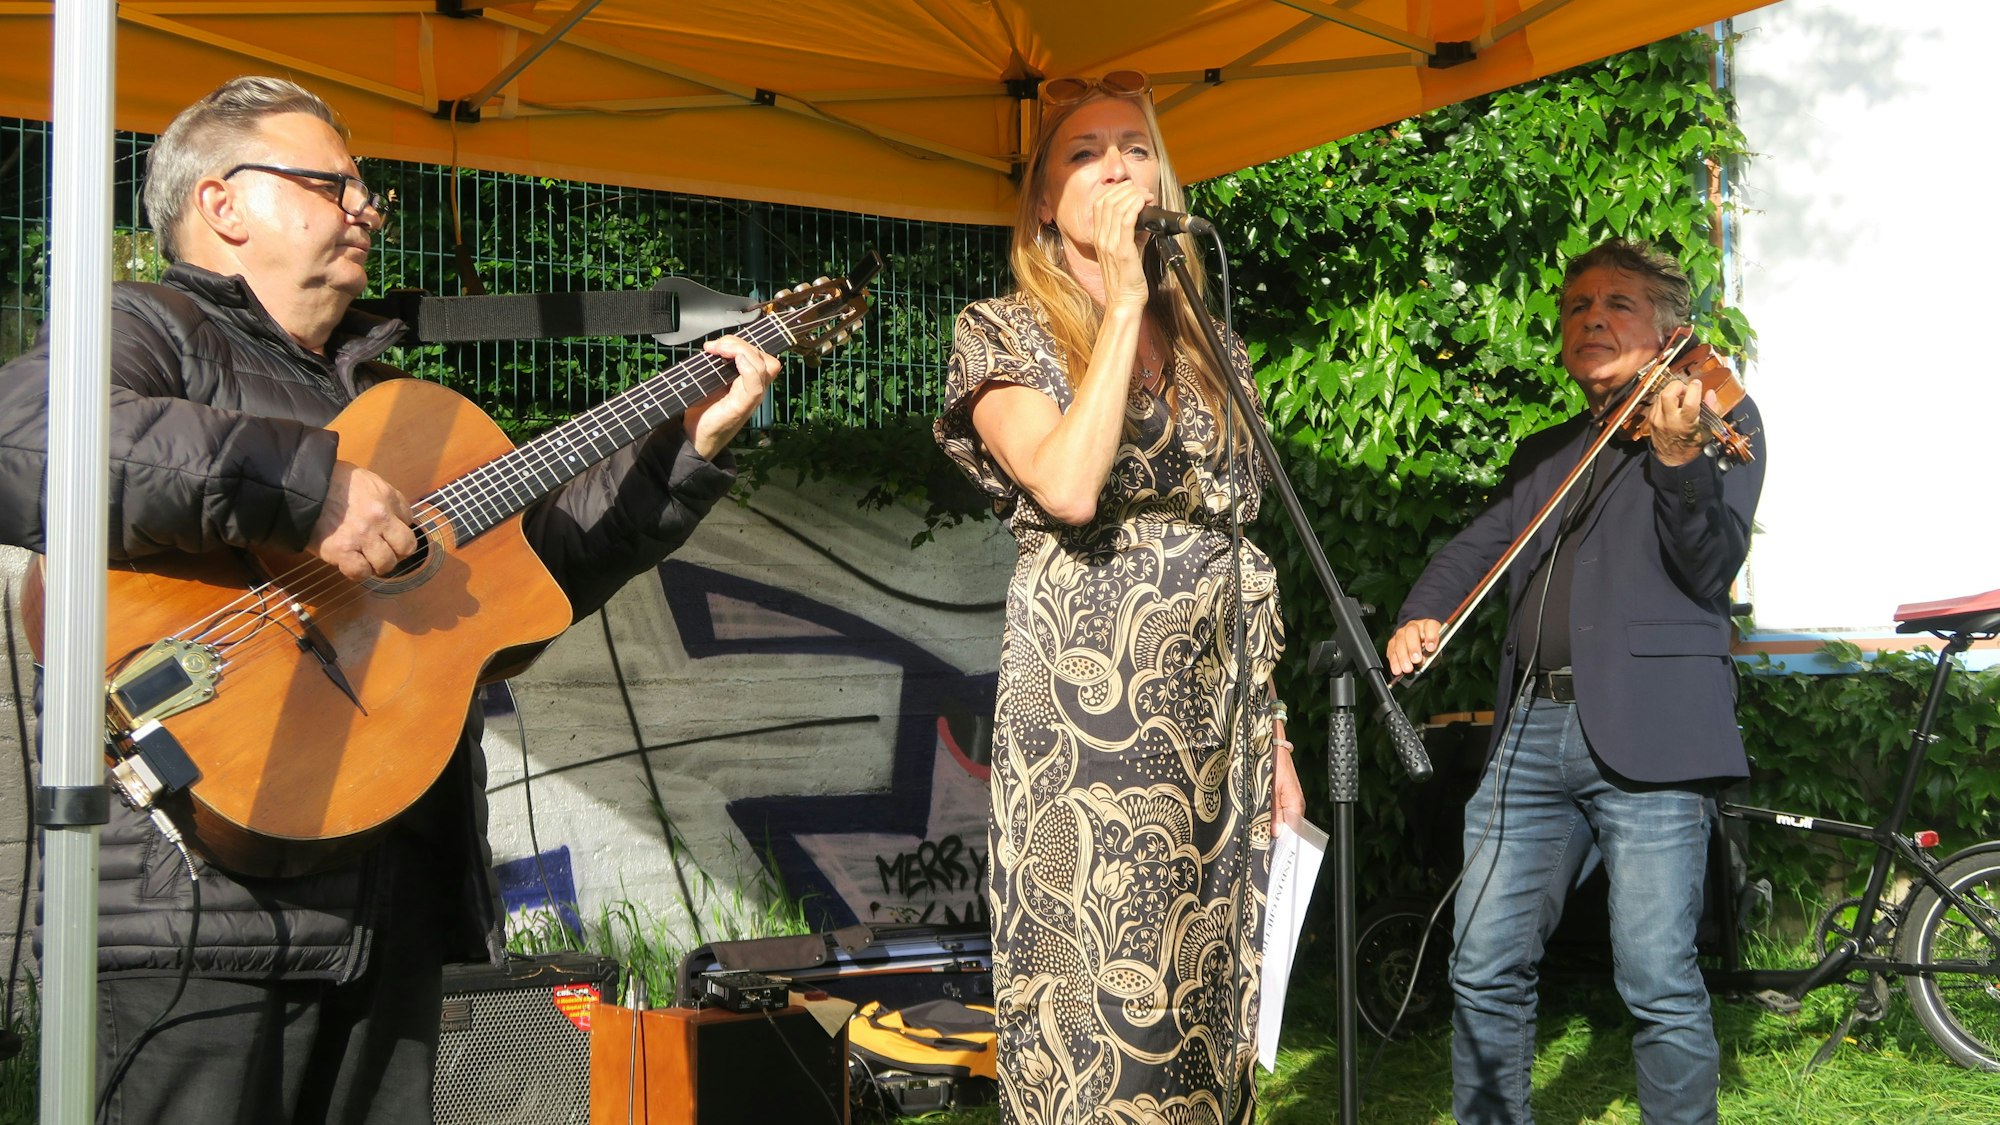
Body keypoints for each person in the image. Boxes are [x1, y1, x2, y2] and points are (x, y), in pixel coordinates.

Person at [0, 76, 779, 1123]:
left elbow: (523, 584)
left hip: (398, 895)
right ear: (222, 203)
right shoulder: (145, 326)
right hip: (199, 917)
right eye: (333, 185)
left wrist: (679, 452)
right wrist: (306, 487)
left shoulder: (381, 397)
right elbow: (33, 443)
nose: (367, 208)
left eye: (366, 190)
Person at [933, 70, 1303, 1125]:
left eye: (1135, 149)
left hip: (1219, 707)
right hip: (1094, 718)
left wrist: (1272, 735)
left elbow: (1239, 536)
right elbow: (1065, 485)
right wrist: (1124, 300)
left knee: (1210, 982)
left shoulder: (1211, 345)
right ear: (1045, 204)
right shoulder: (1001, 331)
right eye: (1084, 153)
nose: (1116, 170)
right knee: (1103, 986)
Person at [1385, 239, 1767, 1124]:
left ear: (1668, 332)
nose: (1591, 318)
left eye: (1618, 304)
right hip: (1529, 730)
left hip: (1653, 732)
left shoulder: (1712, 425)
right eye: (1577, 306)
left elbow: (1709, 565)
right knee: (1482, 961)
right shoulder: (1545, 454)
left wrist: (1677, 461)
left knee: (1657, 976)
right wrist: (1424, 609)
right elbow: (1475, 547)